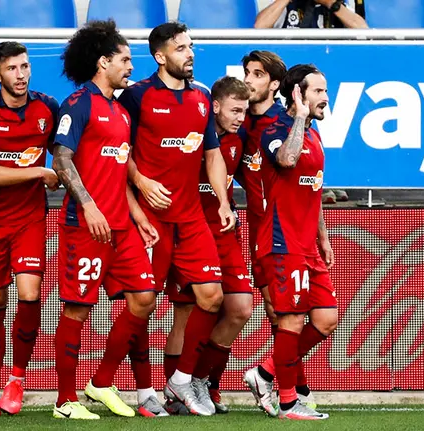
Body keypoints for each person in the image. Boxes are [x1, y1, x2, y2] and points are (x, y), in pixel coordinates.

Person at [49, 20, 168, 420]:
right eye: (125, 59)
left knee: (145, 298)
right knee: (78, 310)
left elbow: (120, 171)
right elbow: (61, 159)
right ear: (103, 62)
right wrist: (88, 205)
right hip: (87, 226)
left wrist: (137, 216)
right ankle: (65, 402)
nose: (130, 67)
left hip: (121, 226)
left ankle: (100, 382)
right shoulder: (79, 103)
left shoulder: (119, 110)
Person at [118, 22, 236, 416]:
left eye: (191, 46)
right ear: (160, 56)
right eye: (181, 48)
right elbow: (120, 149)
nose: (190, 53)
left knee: (211, 296)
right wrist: (139, 179)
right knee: (144, 304)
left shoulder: (202, 97)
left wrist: (222, 200)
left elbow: (212, 155)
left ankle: (182, 379)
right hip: (150, 220)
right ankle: (142, 388)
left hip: (191, 219)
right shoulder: (136, 96)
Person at [0, 41, 60, 417]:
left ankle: (16, 381)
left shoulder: (47, 107)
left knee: (30, 292)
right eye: (12, 69)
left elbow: (63, 152)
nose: (21, 75)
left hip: (30, 219)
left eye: (25, 66)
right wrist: (39, 171)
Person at [251, 64, 339, 420]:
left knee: (327, 318)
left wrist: (324, 238)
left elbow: (314, 189)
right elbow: (286, 160)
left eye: (325, 90)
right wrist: (300, 117)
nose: (326, 98)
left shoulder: (314, 135)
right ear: (298, 94)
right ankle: (288, 401)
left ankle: (265, 372)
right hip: (282, 241)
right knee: (291, 321)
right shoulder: (274, 131)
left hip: (307, 244)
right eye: (318, 91)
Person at [162, 76, 254, 415]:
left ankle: (199, 380)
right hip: (189, 232)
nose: (239, 117)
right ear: (214, 106)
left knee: (241, 308)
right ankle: (174, 391)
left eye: (243, 111)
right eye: (234, 110)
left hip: (225, 233)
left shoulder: (240, 138)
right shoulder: (191, 135)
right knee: (186, 313)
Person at [239, 50, 322, 411]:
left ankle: (280, 380)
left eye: (257, 74)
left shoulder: (292, 123)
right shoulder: (240, 125)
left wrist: (322, 236)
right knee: (282, 313)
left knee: (292, 314)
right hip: (269, 232)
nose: (248, 80)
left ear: (276, 86)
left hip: (293, 234)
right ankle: (291, 391)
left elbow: (311, 183)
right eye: (247, 73)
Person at [255, 0, 368, 30]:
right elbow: (259, 26)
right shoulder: (286, 6)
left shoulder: (337, 7)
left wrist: (331, 4)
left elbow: (363, 30)